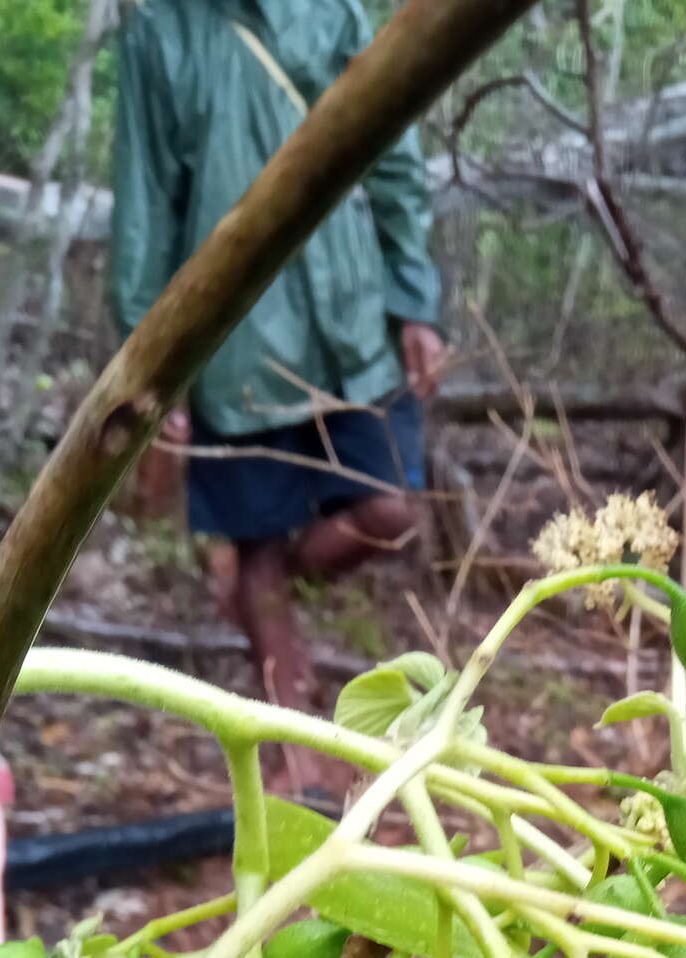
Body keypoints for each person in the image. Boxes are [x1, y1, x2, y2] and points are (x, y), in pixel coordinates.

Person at [110, 0, 449, 721]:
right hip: (237, 343)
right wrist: (151, 371)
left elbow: (394, 161)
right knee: (256, 543)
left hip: (354, 319)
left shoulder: (338, 12)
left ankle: (263, 602)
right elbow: (145, 204)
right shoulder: (161, 31)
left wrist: (415, 303)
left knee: (387, 509)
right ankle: (294, 745)